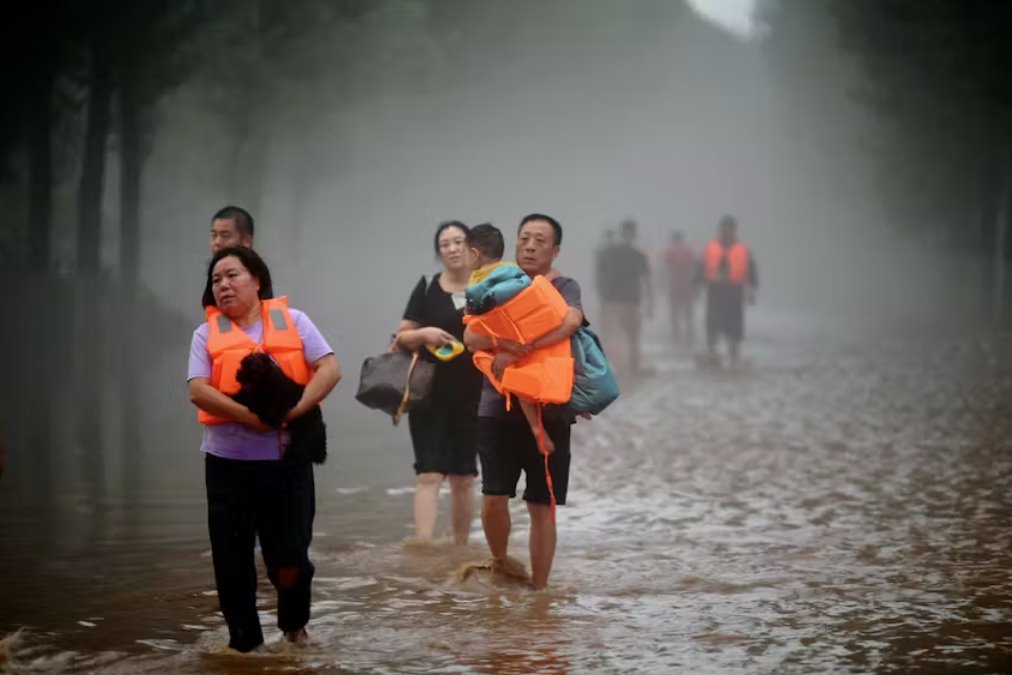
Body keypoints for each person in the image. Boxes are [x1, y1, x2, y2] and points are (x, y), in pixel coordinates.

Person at [187, 246, 340, 652]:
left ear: (257, 280)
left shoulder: (295, 322)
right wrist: (249, 417)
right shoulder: (205, 334)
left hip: (286, 468)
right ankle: (245, 647)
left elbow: (330, 369)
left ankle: (294, 630)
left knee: (290, 561)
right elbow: (197, 390)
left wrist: (295, 410)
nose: (223, 285)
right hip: (227, 469)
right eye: (216, 280)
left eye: (232, 275)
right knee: (232, 565)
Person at [463, 213, 584, 589]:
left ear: (555, 249)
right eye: (525, 238)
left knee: (542, 504)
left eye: (540, 240)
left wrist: (524, 348)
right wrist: (506, 344)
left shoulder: (565, 286)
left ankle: (540, 590)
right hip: (497, 407)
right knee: (493, 497)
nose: (530, 246)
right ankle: (501, 564)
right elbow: (470, 337)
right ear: (515, 244)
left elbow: (570, 321)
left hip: (551, 409)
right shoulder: (497, 282)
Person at [392, 221, 484, 545]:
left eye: (459, 242)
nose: (453, 249)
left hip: (474, 395)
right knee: (429, 473)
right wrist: (423, 334)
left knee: (463, 477)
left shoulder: (486, 287)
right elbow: (401, 337)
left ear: (472, 248)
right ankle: (423, 546)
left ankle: (460, 547)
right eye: (445, 244)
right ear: (439, 252)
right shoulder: (427, 287)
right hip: (428, 393)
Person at [464, 223, 559, 453]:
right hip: (522, 333)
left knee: (514, 381)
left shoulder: (480, 280)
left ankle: (536, 427)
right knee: (521, 385)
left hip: (511, 334)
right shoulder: (510, 270)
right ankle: (536, 427)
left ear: (475, 254)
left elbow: (475, 312)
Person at [695, 215, 758, 367]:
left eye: (729, 229)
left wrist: (752, 291)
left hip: (734, 294)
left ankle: (734, 359)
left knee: (734, 332)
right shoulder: (710, 248)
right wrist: (697, 287)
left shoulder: (743, 250)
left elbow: (752, 272)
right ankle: (712, 356)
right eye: (723, 228)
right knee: (712, 328)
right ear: (719, 229)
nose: (725, 232)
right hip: (715, 293)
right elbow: (700, 269)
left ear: (734, 230)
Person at [598, 218, 652, 376]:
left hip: (615, 300)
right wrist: (650, 302)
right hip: (629, 300)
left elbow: (602, 276)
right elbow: (647, 280)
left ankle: (621, 367)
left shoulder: (610, 253)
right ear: (634, 234)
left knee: (620, 334)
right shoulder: (638, 255)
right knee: (631, 335)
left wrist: (603, 298)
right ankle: (631, 367)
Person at [662, 230, 697, 345]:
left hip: (675, 286)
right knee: (688, 312)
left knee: (675, 312)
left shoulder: (670, 252)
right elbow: (694, 267)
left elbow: (665, 267)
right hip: (687, 286)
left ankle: (676, 334)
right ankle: (689, 332)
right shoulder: (688, 251)